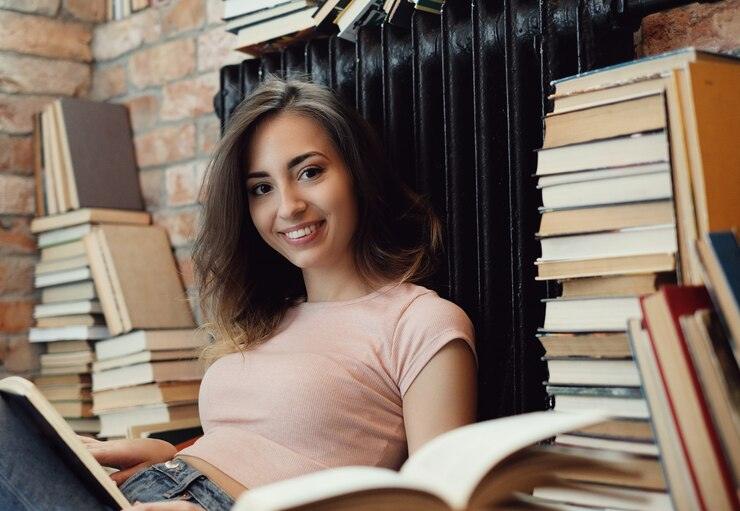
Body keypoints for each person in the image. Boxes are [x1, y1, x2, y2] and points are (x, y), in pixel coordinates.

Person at [4, 77, 477, 511]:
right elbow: (244, 446)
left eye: (310, 172)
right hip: (147, 489)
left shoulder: (421, 322)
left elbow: (439, 503)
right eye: (261, 188)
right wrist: (163, 455)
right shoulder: (267, 318)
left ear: (357, 173)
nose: (288, 207)